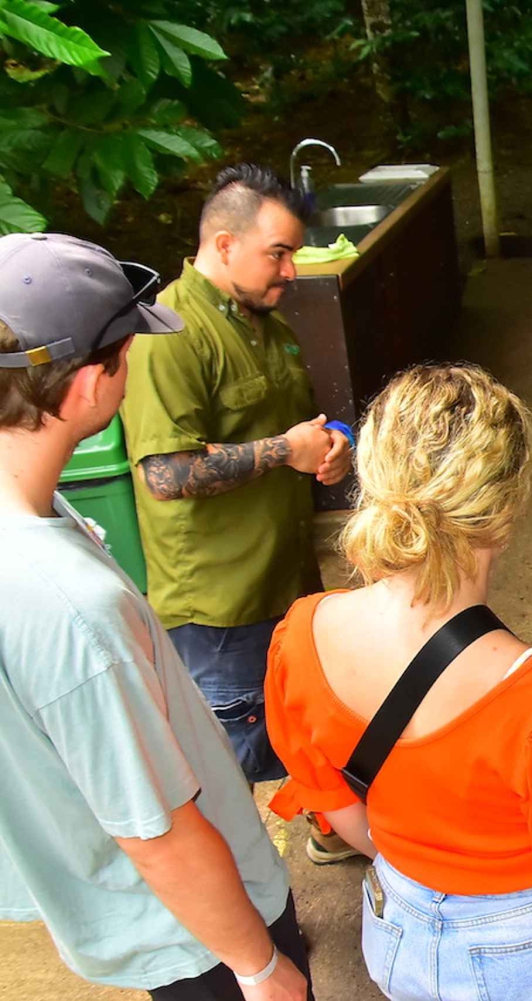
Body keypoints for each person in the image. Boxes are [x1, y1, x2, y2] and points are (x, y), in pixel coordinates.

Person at [264, 364, 532, 1001]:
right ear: (506, 512)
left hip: (396, 926)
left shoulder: (300, 634)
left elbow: (335, 801)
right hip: (529, 953)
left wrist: (421, 862)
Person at [0, 233, 311, 1000]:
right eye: (127, 354)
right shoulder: (72, 608)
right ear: (87, 387)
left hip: (138, 908)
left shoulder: (29, 513)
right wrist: (258, 965)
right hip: (197, 936)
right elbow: (156, 828)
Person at [120, 164, 355, 859]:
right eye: (277, 253)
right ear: (224, 245)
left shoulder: (265, 324)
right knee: (230, 769)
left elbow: (300, 429)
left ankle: (327, 829)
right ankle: (241, 897)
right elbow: (165, 473)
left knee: (303, 725)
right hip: (220, 607)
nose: (290, 270)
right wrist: (285, 450)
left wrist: (331, 448)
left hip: (286, 578)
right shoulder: (169, 335)